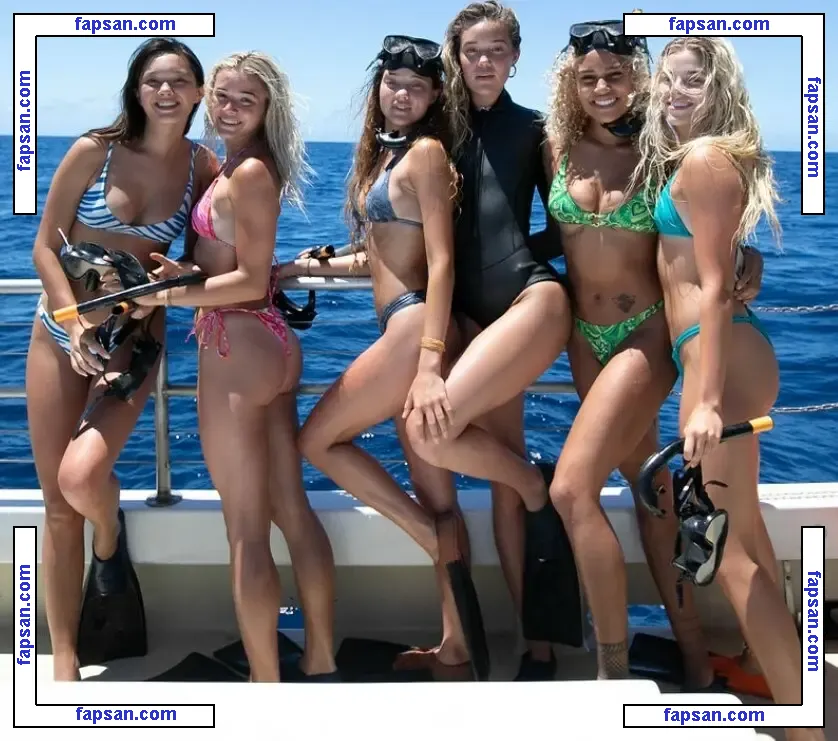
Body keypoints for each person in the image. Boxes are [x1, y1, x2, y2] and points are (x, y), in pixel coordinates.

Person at [543, 21, 764, 686]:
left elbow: (707, 219)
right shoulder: (555, 145)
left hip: (644, 333)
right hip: (584, 336)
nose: (602, 88)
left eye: (615, 75)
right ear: (571, 83)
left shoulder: (661, 145)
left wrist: (747, 256)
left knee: (571, 488)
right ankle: (693, 653)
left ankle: (612, 671)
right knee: (653, 494)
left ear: (638, 78)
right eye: (588, 78)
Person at [632, 37, 821, 740]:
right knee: (746, 533)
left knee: (728, 551)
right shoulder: (700, 158)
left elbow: (713, 287)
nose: (673, 93)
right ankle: (767, 667)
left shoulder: (706, 160)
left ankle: (803, 724)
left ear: (719, 90)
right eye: (666, 81)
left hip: (722, 362)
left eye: (691, 81)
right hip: (726, 355)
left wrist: (706, 400)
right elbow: (722, 260)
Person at [133, 51, 337, 682]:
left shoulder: (248, 173)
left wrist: (166, 298)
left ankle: (264, 681)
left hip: (236, 346)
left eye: (245, 100)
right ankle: (321, 659)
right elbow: (237, 264)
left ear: (267, 107)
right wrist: (189, 272)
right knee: (291, 508)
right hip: (268, 342)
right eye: (221, 96)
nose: (229, 108)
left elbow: (249, 280)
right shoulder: (237, 166)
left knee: (246, 530)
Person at [280, 35, 478, 678]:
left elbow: (441, 263)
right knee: (439, 497)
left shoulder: (425, 154)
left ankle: (426, 537)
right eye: (393, 83)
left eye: (416, 88)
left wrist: (428, 363)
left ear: (435, 97)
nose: (401, 94)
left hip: (415, 331)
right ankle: (457, 648)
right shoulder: (388, 158)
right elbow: (383, 257)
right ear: (378, 88)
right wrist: (304, 268)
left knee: (316, 440)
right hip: (406, 323)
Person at [26, 38, 211, 681]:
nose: (165, 91)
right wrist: (73, 323)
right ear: (137, 89)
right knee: (55, 504)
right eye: (153, 80)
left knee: (81, 481)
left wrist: (185, 273)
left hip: (134, 339)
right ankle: (65, 658)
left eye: (179, 80)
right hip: (61, 330)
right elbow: (44, 248)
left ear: (198, 93)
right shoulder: (93, 150)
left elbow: (204, 257)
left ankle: (108, 534)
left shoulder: (203, 166)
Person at [403, 0, 575, 681]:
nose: (483, 61)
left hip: (525, 302)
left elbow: (565, 226)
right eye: (471, 50)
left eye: (496, 50)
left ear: (514, 58)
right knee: (504, 472)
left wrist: (514, 262)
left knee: (437, 433)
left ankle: (540, 643)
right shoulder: (433, 129)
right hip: (466, 317)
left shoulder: (535, 129)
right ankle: (536, 641)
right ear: (454, 57)